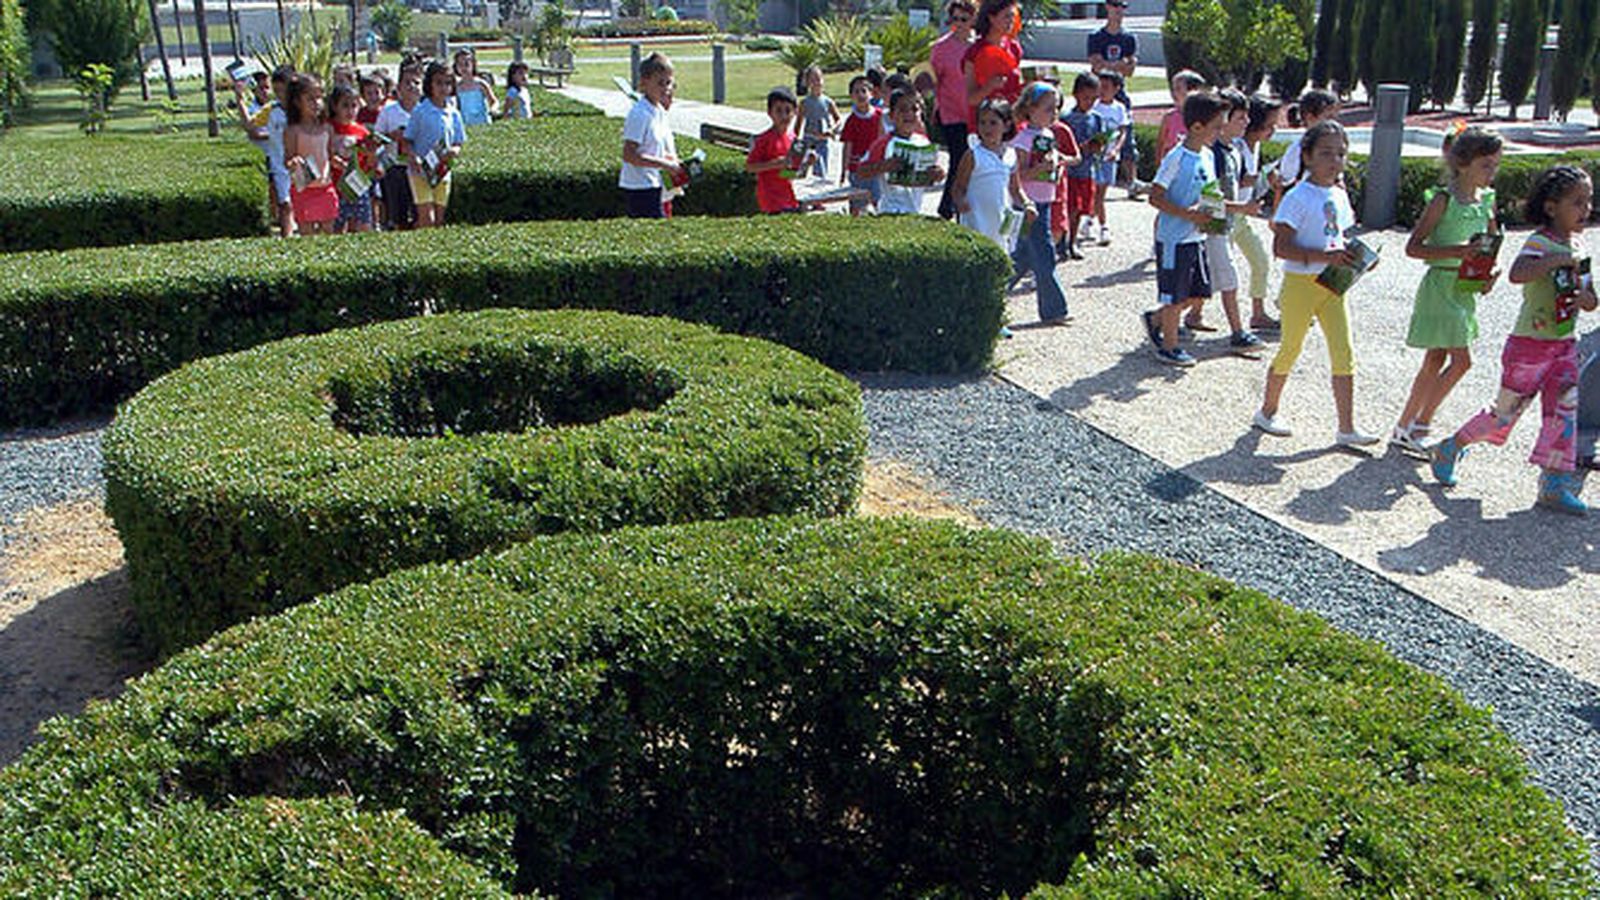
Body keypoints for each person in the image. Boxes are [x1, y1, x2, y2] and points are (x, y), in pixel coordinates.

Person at [1429, 165, 1597, 515]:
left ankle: (1553, 484)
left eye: (1589, 202)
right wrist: (1557, 260)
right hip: (1529, 346)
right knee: (1504, 414)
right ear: (1552, 207)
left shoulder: (1578, 247)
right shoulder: (1541, 242)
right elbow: (1519, 273)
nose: (1586, 210)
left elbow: (1591, 298)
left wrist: (1586, 297)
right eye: (1577, 203)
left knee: (1563, 414)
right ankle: (1451, 446)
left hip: (1564, 346)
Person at [1251, 121, 1377, 446]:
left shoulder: (1338, 194)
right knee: (1290, 348)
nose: (1334, 161)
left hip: (1332, 286)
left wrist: (1359, 259)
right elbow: (1281, 248)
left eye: (1340, 154)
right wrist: (1324, 256)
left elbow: (1339, 237)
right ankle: (1267, 411)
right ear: (1307, 156)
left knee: (1343, 351)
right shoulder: (1298, 197)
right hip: (1300, 284)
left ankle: (1346, 427)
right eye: (1325, 153)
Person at [1392, 127, 1504, 455]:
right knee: (1461, 361)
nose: (1492, 172)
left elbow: (1490, 247)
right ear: (1463, 163)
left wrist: (1490, 272)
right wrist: (1456, 252)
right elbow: (1413, 248)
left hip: (1465, 288)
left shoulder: (1488, 201)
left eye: (1495, 165)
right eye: (1486, 165)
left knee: (1435, 359)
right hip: (1440, 286)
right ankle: (1421, 425)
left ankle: (1404, 426)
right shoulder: (1443, 199)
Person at [1143, 91, 1227, 367]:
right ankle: (1169, 346)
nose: (1220, 131)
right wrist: (1186, 214)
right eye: (1216, 126)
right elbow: (1155, 196)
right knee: (1174, 295)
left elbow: (1210, 194)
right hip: (1174, 238)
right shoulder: (1176, 158)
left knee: (1197, 292)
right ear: (1196, 127)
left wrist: (1219, 216)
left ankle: (1156, 321)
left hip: (1196, 236)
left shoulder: (1207, 155)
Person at [1193, 87, 1264, 351]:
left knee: (1209, 278)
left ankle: (1178, 315)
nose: (1246, 122)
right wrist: (1242, 208)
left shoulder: (1233, 150)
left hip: (1228, 224)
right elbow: (1211, 198)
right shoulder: (1215, 156)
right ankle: (1238, 332)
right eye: (1240, 118)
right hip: (1215, 225)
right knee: (1230, 278)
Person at [1008, 81, 1073, 324]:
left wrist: (1057, 165)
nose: (1054, 113)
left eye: (1056, 108)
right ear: (1031, 108)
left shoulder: (1048, 135)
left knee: (1023, 256)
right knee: (1044, 253)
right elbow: (1019, 174)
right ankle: (1054, 309)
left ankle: (993, 293)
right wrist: (1040, 169)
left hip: (1045, 200)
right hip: (1029, 204)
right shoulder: (1023, 139)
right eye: (1048, 108)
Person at [949, 96, 1027, 250]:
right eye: (982, 123)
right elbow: (958, 186)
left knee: (1002, 254)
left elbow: (1015, 188)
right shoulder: (974, 155)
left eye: (993, 123)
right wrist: (960, 201)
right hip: (977, 220)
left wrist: (1028, 204)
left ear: (1006, 125)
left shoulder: (1011, 155)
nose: (987, 128)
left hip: (1001, 219)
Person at [618, 52, 685, 220]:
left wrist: (673, 162)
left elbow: (656, 147)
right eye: (660, 83)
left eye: (669, 83)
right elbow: (629, 154)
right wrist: (665, 164)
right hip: (640, 187)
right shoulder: (639, 114)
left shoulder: (658, 110)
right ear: (644, 83)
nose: (666, 88)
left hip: (655, 184)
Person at [858, 87, 946, 215]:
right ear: (892, 115)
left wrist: (938, 174)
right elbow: (861, 171)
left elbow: (928, 177)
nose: (909, 114)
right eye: (903, 109)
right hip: (890, 210)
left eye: (914, 109)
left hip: (915, 210)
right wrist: (883, 166)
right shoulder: (884, 143)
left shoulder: (923, 142)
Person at [1237, 94, 1283, 333]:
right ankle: (1180, 314)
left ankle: (1258, 313)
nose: (1273, 130)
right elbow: (1236, 180)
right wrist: (1260, 178)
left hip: (1241, 217)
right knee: (1218, 274)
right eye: (1269, 125)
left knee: (1260, 261)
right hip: (1228, 215)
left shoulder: (1254, 147)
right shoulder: (1238, 146)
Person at [1086, 0, 1141, 193]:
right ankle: (1092, 179)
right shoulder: (1096, 37)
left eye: (1122, 7)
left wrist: (1111, 65)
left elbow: (1130, 70)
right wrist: (1120, 64)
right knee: (1094, 134)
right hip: (1098, 93)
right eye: (1115, 6)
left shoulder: (1129, 38)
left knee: (1127, 136)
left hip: (1120, 92)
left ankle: (1132, 182)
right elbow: (1096, 65)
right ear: (1107, 7)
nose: (1119, 10)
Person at [405, 61, 467, 228]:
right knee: (427, 219)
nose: (443, 88)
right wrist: (414, 157)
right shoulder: (420, 111)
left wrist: (454, 150)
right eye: (438, 82)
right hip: (420, 172)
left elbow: (458, 141)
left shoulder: (453, 113)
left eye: (447, 83)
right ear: (429, 84)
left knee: (439, 220)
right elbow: (407, 140)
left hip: (442, 171)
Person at [930, 0, 977, 218]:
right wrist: (935, 108)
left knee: (974, 161)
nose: (958, 23)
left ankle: (963, 205)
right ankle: (947, 207)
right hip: (951, 113)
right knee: (958, 159)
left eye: (964, 19)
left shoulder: (978, 46)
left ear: (973, 20)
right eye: (955, 19)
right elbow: (932, 81)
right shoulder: (940, 48)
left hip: (975, 113)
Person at [283, 73, 338, 236]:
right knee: (307, 234)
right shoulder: (293, 131)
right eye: (310, 99)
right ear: (297, 102)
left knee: (329, 231)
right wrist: (294, 162)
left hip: (325, 187)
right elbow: (288, 159)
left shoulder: (327, 129)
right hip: (304, 189)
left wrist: (340, 163)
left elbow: (329, 156)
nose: (316, 104)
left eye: (319, 98)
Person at [1059, 71, 1103, 260]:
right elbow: (1062, 145)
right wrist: (1080, 148)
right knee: (1069, 208)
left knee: (1081, 210)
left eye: (1094, 98)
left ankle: (1072, 241)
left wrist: (1098, 146)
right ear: (1076, 94)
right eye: (1086, 98)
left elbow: (1100, 146)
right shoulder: (1066, 118)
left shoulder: (1097, 119)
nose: (1090, 102)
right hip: (1069, 171)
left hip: (1087, 171)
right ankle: (1062, 242)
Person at [748, 87, 811, 214]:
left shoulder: (793, 138)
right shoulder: (764, 139)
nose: (784, 116)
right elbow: (750, 167)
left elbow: (791, 174)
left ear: (795, 112)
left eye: (788, 111)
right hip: (770, 199)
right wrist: (775, 164)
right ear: (770, 113)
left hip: (788, 197)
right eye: (778, 111)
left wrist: (807, 163)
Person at [963, 0, 1023, 130]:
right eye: (1007, 16)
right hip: (985, 126)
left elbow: (1017, 89)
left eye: (1013, 16)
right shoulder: (974, 52)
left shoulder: (1014, 48)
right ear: (991, 18)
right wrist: (989, 87)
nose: (1011, 21)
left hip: (1010, 123)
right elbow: (971, 99)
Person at [375, 68, 420, 231]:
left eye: (416, 83)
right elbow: (376, 139)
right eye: (407, 82)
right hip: (394, 168)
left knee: (418, 212)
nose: (412, 86)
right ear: (399, 87)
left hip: (418, 169)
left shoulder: (423, 112)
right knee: (397, 214)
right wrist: (391, 136)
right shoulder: (388, 112)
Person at [327, 83, 374, 234]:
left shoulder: (362, 131)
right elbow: (324, 153)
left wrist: (372, 154)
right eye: (345, 106)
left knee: (363, 224)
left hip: (358, 185)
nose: (350, 111)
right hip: (336, 185)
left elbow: (369, 162)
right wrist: (333, 159)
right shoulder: (328, 128)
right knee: (337, 226)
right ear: (335, 107)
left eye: (354, 106)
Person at [1274, 88, 1340, 195]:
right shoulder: (1297, 151)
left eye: (1335, 118)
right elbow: (1282, 189)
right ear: (1310, 118)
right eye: (1328, 118)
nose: (1333, 124)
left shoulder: (1335, 149)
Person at [1089, 69, 1128, 247]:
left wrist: (1116, 150)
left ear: (1116, 88)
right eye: (1100, 86)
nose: (1102, 90)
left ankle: (1089, 219)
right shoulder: (1094, 106)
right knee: (1096, 194)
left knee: (1100, 193)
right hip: (1095, 157)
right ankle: (1103, 227)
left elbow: (1122, 131)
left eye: (1106, 87)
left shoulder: (1119, 108)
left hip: (1110, 157)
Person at [839, 74, 884, 215]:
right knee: (857, 201)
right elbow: (847, 146)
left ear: (871, 93)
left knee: (879, 199)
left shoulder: (880, 116)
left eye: (864, 90)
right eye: (856, 91)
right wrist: (844, 169)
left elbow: (884, 140)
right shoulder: (851, 121)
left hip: (876, 167)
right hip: (857, 169)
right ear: (851, 96)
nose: (860, 95)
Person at [795, 66, 839, 179]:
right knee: (800, 171)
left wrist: (832, 130)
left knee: (821, 171)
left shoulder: (828, 101)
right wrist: (795, 141)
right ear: (807, 82)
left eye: (818, 79)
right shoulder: (804, 103)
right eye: (812, 80)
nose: (816, 83)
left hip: (822, 141)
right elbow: (798, 124)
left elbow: (838, 120)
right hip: (808, 138)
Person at [1156, 69, 1205, 161]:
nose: (1174, 93)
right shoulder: (1169, 117)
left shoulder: (1203, 117)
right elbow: (1161, 145)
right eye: (1173, 89)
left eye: (1178, 89)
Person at [453, 49, 497, 126]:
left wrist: (493, 109)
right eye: (460, 64)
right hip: (466, 123)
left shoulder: (480, 84)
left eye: (466, 64)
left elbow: (493, 101)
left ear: (473, 64)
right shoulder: (457, 87)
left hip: (482, 122)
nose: (463, 68)